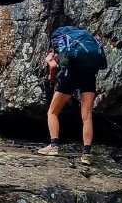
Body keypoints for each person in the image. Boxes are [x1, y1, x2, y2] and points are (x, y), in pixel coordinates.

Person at [37, 25, 108, 163]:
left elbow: (53, 65)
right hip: (88, 76)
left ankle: (53, 146)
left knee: (52, 112)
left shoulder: (59, 48)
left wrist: (52, 77)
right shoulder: (83, 44)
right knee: (87, 116)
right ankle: (86, 154)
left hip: (69, 76)